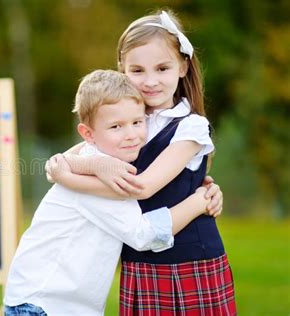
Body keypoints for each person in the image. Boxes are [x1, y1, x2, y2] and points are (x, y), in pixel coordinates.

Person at [47, 10, 236, 315]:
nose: (150, 81)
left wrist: (66, 177)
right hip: (139, 259)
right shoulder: (127, 121)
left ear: (183, 67)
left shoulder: (191, 126)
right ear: (122, 70)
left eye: (162, 68)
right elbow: (65, 159)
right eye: (137, 71)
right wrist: (93, 166)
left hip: (188, 259)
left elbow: (142, 187)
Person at [4, 69, 216, 316]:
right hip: (43, 304)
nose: (131, 135)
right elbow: (143, 234)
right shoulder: (98, 173)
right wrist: (198, 202)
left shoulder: (99, 161)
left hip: (54, 303)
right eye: (116, 126)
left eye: (137, 122)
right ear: (88, 134)